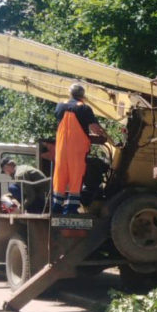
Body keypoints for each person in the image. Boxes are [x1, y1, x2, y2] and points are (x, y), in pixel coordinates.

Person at [52, 83, 109, 214]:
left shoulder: (60, 106)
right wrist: (103, 134)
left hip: (61, 149)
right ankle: (71, 209)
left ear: (70, 93)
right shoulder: (84, 108)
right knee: (76, 177)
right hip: (77, 150)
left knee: (60, 176)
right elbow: (95, 128)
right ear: (83, 95)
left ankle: (56, 207)